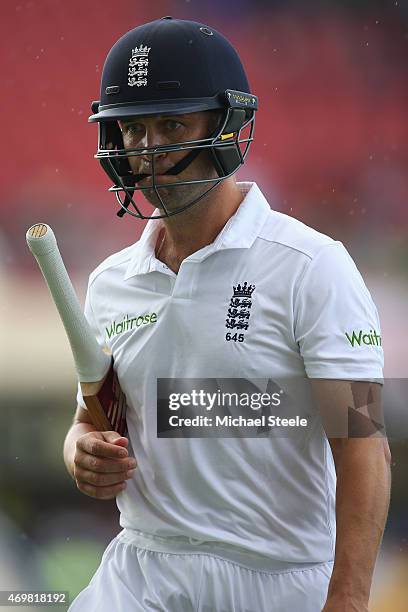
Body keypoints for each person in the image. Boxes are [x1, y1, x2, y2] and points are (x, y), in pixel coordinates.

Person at [64, 17, 391, 612]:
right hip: (141, 570)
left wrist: (348, 598)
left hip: (280, 577)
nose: (149, 149)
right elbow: (91, 418)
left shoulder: (313, 266)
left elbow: (363, 442)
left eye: (172, 125)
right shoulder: (110, 283)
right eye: (132, 129)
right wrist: (80, 451)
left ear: (228, 126)